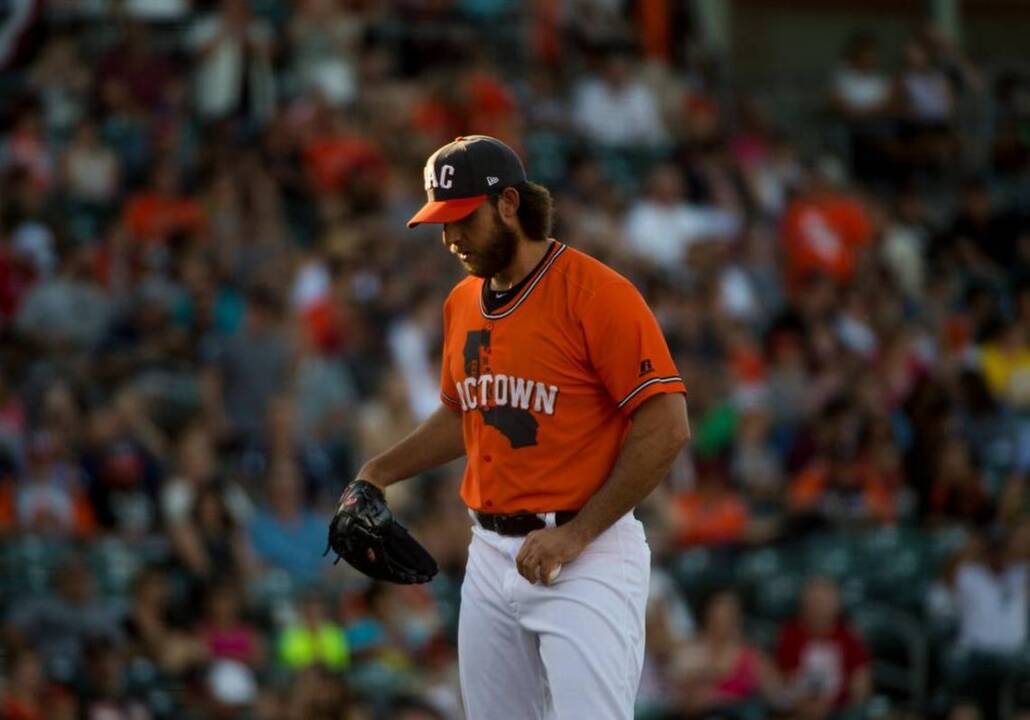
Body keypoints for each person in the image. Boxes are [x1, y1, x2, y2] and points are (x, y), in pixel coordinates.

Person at [343, 135, 690, 719]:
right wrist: (377, 472)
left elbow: (668, 426)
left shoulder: (595, 293)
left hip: (588, 552)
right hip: (488, 553)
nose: (450, 238)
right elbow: (466, 416)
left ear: (508, 205)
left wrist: (576, 535)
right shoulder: (462, 302)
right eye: (441, 223)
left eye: (462, 219)